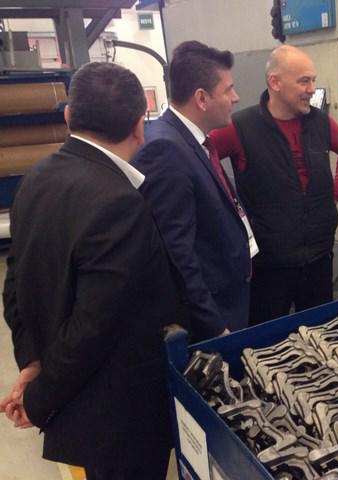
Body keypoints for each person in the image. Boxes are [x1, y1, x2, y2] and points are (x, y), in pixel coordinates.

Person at [0, 62, 186, 479]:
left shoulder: (34, 179)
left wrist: (32, 361)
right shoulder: (119, 202)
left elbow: (15, 285)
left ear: (68, 116)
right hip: (119, 418)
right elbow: (94, 325)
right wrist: (38, 398)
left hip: (79, 405)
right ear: (139, 126)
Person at [210, 45, 338, 326]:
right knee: (268, 339)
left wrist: (332, 195)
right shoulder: (241, 127)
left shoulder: (320, 123)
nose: (312, 89)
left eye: (313, 80)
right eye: (304, 81)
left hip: (318, 257)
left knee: (321, 333)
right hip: (270, 265)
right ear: (275, 82)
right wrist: (231, 210)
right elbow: (203, 158)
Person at [132, 41, 252, 341]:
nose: (236, 97)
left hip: (230, 299)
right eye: (228, 90)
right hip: (211, 320)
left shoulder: (193, 141)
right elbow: (178, 255)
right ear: (201, 98)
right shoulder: (166, 149)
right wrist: (215, 326)